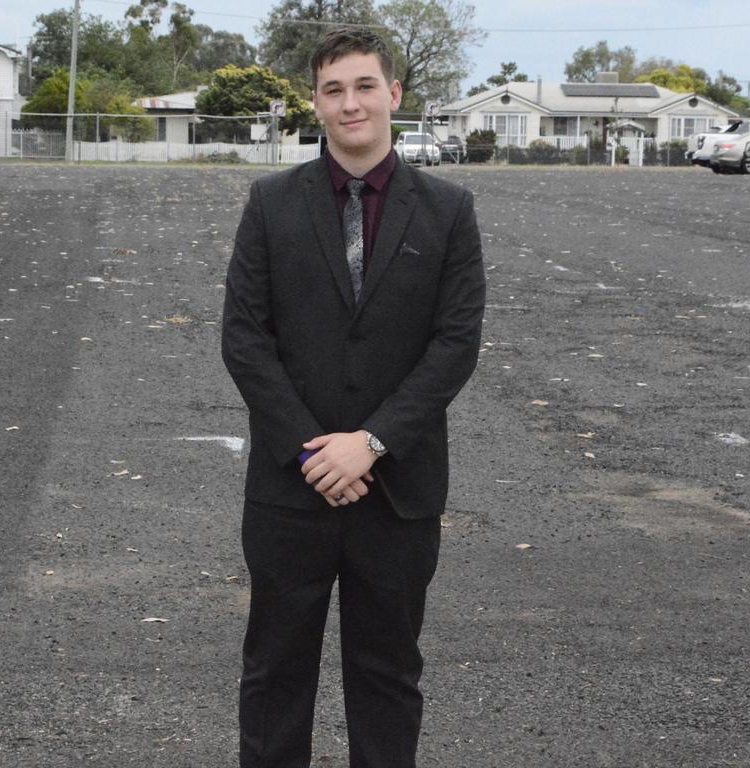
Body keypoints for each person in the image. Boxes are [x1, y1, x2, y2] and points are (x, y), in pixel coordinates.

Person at [221, 26, 485, 768]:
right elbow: (245, 338)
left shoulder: (448, 210)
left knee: (388, 676)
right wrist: (314, 448)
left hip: (397, 489)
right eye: (333, 90)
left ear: (395, 94)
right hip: (289, 488)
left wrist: (368, 442)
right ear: (315, 102)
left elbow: (453, 346)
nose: (350, 104)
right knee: (274, 676)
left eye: (365, 86)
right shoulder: (270, 204)